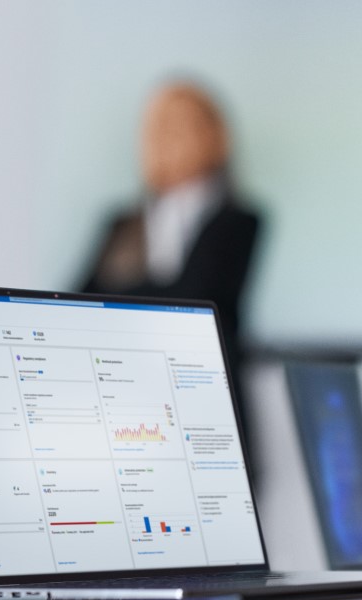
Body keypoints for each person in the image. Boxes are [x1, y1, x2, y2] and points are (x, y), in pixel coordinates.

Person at [78, 81, 261, 431]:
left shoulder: (237, 221)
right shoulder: (124, 224)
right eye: (157, 127)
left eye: (180, 125)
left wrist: (117, 299)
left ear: (213, 135)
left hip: (207, 409)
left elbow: (193, 301)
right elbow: (76, 302)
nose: (166, 138)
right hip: (129, 408)